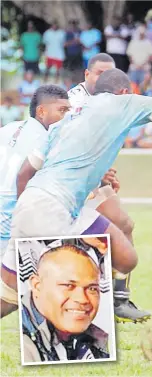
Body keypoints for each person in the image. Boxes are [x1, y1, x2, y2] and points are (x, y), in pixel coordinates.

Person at [3, 69, 152, 318]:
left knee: (126, 257)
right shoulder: (122, 103)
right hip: (51, 208)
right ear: (125, 92)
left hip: (47, 205)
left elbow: (26, 172)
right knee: (45, 300)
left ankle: (117, 300)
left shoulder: (72, 115)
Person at [68, 53, 151, 323]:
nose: (104, 79)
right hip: (69, 182)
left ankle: (119, 300)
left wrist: (105, 170)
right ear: (86, 75)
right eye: (99, 73)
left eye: (109, 75)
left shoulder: (111, 103)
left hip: (92, 178)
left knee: (124, 225)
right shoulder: (73, 103)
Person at [0, 85, 71, 317]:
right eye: (61, 110)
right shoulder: (48, 138)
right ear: (41, 111)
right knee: (22, 290)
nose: (66, 116)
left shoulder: (9, 129)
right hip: (11, 216)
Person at [22, 243, 109, 362]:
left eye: (92, 288)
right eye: (68, 285)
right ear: (37, 286)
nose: (82, 299)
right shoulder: (21, 346)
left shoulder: (94, 340)